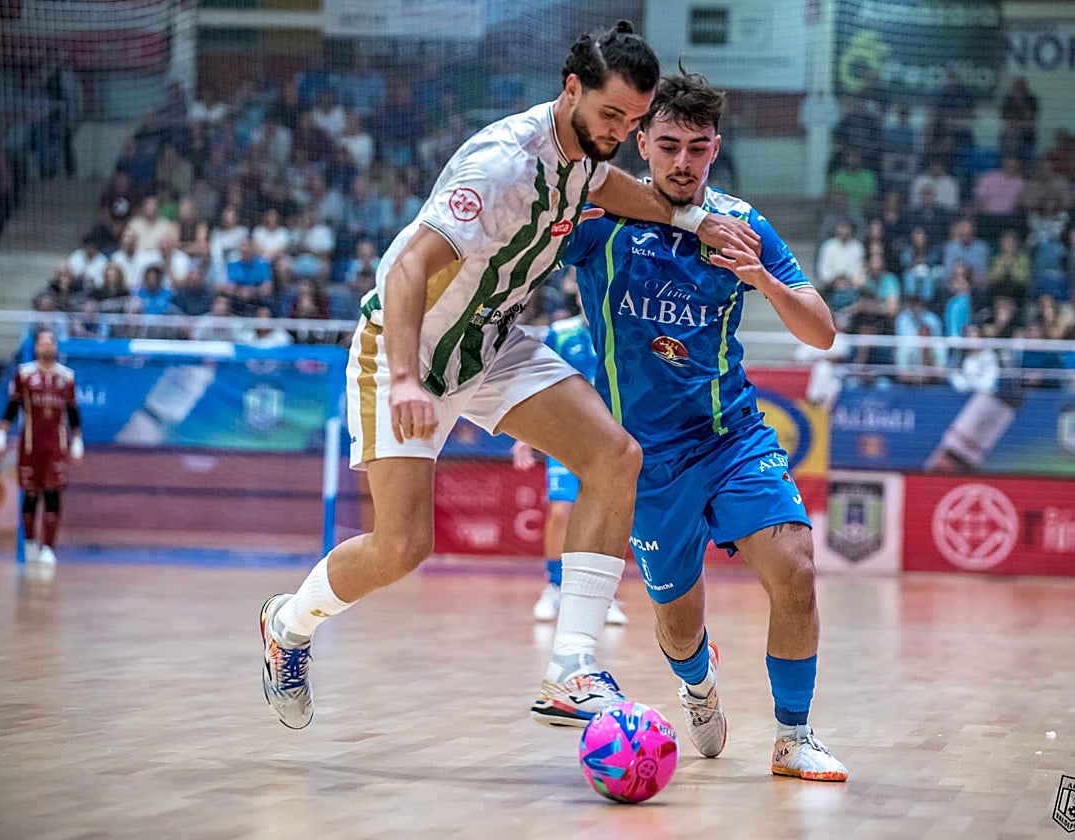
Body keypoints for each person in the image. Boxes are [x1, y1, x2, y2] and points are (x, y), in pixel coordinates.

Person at [257, 21, 759, 733]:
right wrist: (403, 379)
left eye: (635, 121)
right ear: (571, 90)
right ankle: (288, 624)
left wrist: (690, 216)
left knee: (615, 456)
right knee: (402, 548)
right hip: (405, 353)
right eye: (612, 115)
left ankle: (571, 668)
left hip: (490, 345)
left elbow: (609, 184)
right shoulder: (500, 164)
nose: (621, 132)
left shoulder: (588, 148)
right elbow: (405, 269)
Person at [560, 71, 847, 780]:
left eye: (696, 147)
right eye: (667, 146)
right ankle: (697, 686)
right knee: (680, 625)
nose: (682, 162)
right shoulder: (602, 220)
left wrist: (767, 282)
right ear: (642, 146)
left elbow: (822, 332)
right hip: (649, 463)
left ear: (715, 147)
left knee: (797, 569)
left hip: (732, 436)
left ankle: (793, 736)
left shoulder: (742, 225)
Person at [511, 308, 627, 626]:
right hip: (566, 437)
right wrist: (524, 436)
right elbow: (537, 383)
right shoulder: (560, 333)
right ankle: (554, 586)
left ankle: (606, 596)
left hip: (610, 441)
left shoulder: (622, 326)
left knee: (606, 517)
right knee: (561, 511)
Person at [0, 330, 84, 569]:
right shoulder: (24, 375)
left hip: (56, 445)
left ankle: (48, 548)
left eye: (51, 342)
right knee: (31, 494)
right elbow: (13, 406)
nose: (47, 346)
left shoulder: (66, 377)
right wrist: (2, 433)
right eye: (43, 342)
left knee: (53, 492)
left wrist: (77, 440)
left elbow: (73, 411)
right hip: (30, 444)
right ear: (36, 347)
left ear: (56, 347)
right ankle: (31, 543)